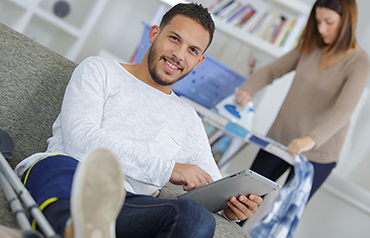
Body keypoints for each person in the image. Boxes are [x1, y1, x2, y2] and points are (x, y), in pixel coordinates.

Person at [14, 3, 263, 238]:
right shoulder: (99, 70)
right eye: (174, 38)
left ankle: (90, 229)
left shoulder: (189, 120)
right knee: (73, 196)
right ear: (154, 33)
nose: (178, 54)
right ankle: (76, 227)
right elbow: (80, 138)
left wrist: (230, 205)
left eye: (192, 50)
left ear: (199, 61)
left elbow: (213, 185)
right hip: (70, 172)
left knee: (196, 217)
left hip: (128, 203)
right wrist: (169, 169)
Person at [236, 0, 369, 206]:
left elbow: (344, 112)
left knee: (283, 215)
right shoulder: (310, 47)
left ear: (347, 21)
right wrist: (248, 89)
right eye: (317, 21)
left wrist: (311, 139)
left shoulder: (359, 61)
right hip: (280, 140)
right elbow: (271, 70)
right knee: (242, 201)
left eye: (328, 22)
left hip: (317, 154)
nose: (321, 28)